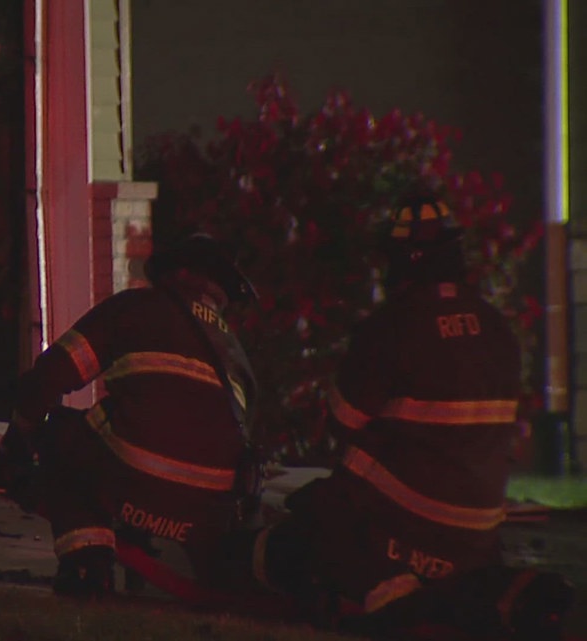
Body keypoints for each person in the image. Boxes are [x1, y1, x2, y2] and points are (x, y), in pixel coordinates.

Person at [231, 195, 574, 639]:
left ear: (402, 261)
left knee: (309, 518)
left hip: (401, 528)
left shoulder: (393, 324)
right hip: (477, 536)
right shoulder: (497, 328)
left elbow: (344, 420)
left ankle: (385, 594)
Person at [0, 232, 263, 598]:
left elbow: (50, 376)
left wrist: (17, 440)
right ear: (221, 294)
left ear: (175, 273)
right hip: (207, 514)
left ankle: (87, 565)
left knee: (60, 433)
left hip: (131, 485)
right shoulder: (237, 354)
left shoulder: (138, 308)